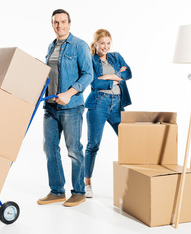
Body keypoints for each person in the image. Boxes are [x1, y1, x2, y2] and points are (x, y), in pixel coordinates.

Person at [37, 9, 93, 207]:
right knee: (49, 149)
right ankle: (57, 191)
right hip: (50, 106)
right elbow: (49, 75)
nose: (59, 25)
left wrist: (69, 93)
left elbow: (88, 74)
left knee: (74, 150)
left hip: (71, 108)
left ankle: (79, 192)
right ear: (52, 25)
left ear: (70, 24)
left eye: (63, 22)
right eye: (55, 22)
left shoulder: (80, 46)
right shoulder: (51, 46)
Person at [84, 29, 132, 198]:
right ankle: (87, 183)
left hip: (118, 105)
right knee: (93, 144)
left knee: (128, 141)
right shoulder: (90, 60)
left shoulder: (116, 56)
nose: (105, 46)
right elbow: (95, 82)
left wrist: (109, 76)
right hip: (99, 104)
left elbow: (129, 73)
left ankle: (132, 179)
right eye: (102, 43)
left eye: (108, 43)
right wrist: (118, 77)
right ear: (96, 43)